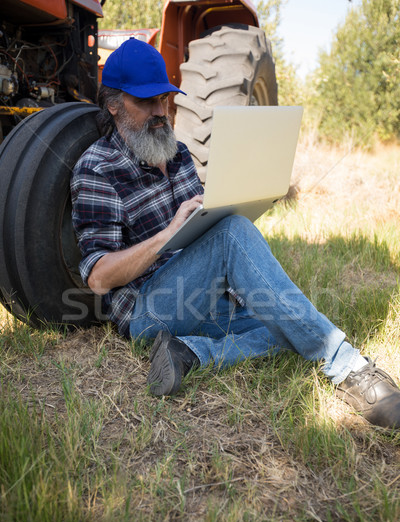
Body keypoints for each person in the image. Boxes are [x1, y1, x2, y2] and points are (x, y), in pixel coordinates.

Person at [71, 38, 400, 429]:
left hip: (199, 299)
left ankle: (191, 353)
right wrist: (168, 235)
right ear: (113, 104)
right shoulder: (97, 169)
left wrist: (246, 199)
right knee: (234, 238)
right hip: (147, 310)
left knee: (288, 324)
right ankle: (349, 368)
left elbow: (203, 232)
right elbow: (98, 277)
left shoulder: (174, 153)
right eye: (147, 102)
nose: (161, 112)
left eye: (164, 99)